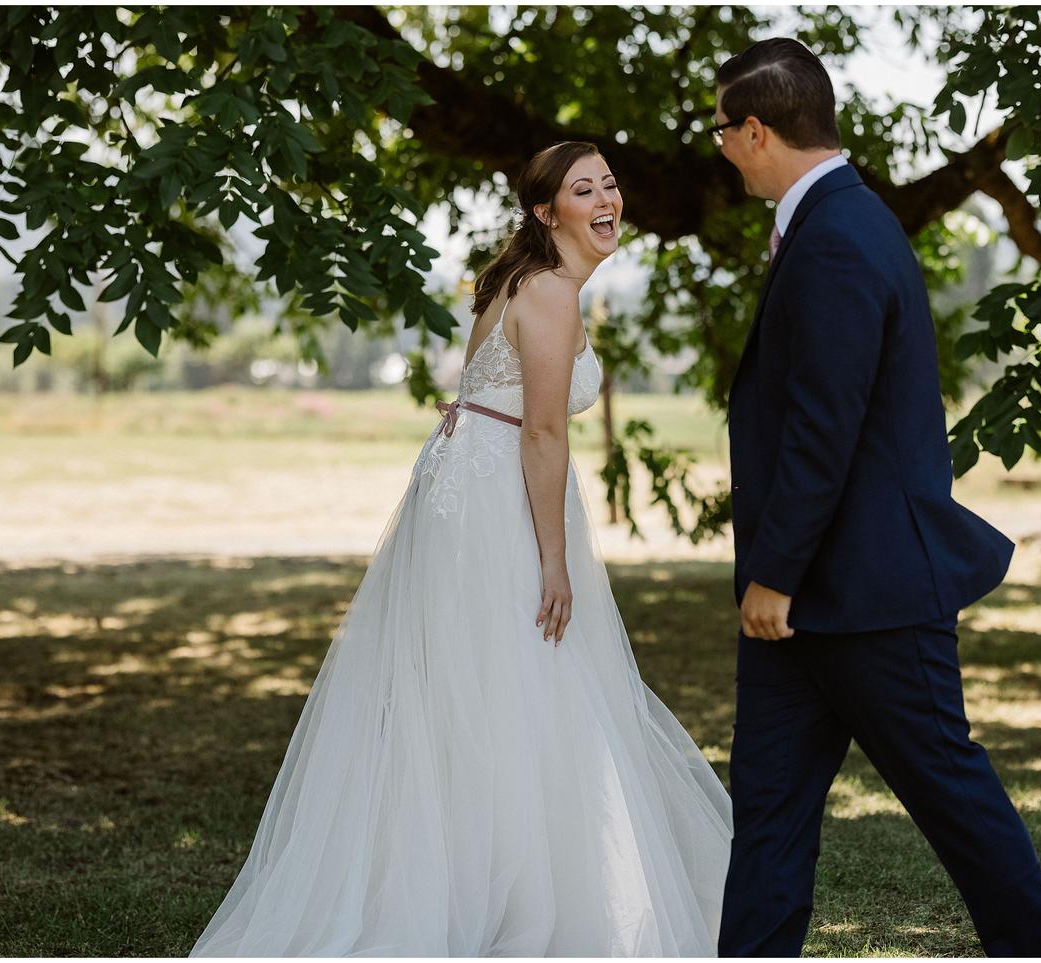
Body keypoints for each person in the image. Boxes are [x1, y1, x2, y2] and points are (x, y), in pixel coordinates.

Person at [189, 141, 732, 957]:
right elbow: (542, 429)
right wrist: (552, 558)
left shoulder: (523, 281)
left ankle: (487, 883)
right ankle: (513, 905)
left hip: (471, 487)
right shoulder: (548, 291)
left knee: (484, 692)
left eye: (610, 184)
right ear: (549, 213)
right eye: (583, 190)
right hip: (501, 499)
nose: (605, 198)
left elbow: (490, 405)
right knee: (527, 681)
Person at [712, 38, 1041, 957]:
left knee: (955, 802)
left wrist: (774, 572)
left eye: (722, 130)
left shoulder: (837, 234)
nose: (718, 147)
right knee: (768, 817)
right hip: (803, 610)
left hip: (863, 595)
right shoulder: (840, 220)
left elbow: (823, 427)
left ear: (757, 131)